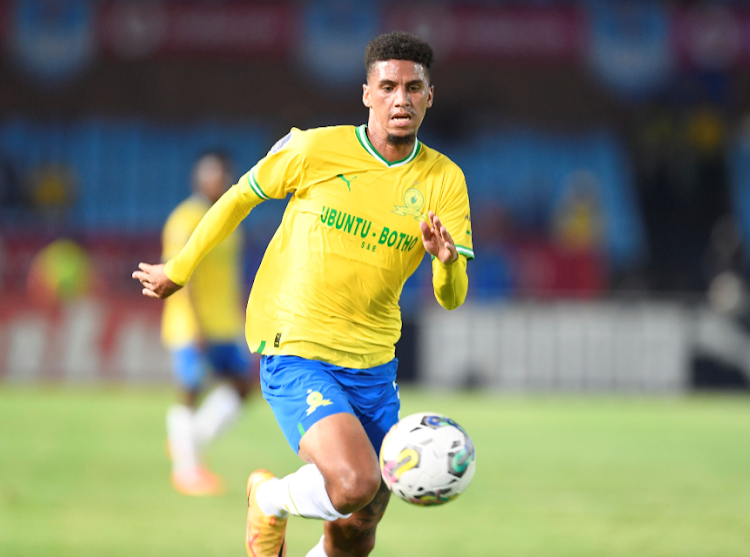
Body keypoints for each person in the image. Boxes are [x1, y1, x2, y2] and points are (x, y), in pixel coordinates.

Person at [133, 31, 473, 557]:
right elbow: (239, 196)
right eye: (387, 87)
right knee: (354, 482)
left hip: (374, 363)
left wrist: (447, 262)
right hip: (297, 344)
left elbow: (451, 297)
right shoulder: (316, 148)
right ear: (367, 93)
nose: (399, 99)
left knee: (359, 525)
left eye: (413, 88)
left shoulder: (445, 180)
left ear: (430, 96)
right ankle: (269, 498)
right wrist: (179, 269)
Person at [160, 151, 254, 496]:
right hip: (191, 325)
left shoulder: (229, 220)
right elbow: (179, 274)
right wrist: (195, 325)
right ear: (198, 179)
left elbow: (229, 277)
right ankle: (186, 472)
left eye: (222, 175)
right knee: (190, 390)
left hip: (224, 324)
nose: (216, 181)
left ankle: (189, 440)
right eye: (210, 174)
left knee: (244, 387)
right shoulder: (184, 219)